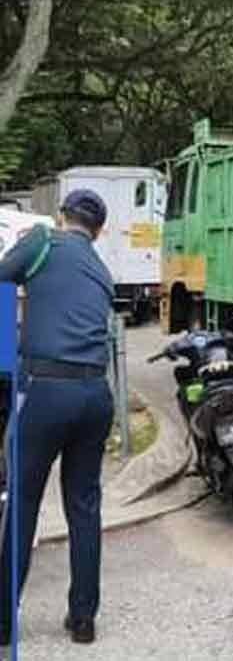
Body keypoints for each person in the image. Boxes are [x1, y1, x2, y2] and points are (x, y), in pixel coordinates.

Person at [0, 189, 115, 645]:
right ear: (99, 231)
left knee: (24, 501)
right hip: (95, 396)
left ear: (62, 217)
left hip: (46, 392)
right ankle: (83, 620)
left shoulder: (42, 240)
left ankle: (4, 622)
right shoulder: (104, 271)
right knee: (84, 507)